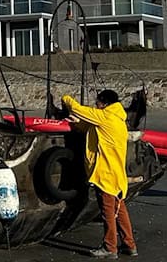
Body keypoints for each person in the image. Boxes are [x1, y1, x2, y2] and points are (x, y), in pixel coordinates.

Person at [61, 90, 138, 259]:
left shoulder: (106, 117)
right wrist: (76, 123)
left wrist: (66, 99)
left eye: (97, 102)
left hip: (105, 174)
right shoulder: (117, 120)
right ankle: (129, 245)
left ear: (104, 103)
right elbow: (90, 127)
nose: (96, 105)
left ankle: (110, 247)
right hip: (117, 174)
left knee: (108, 211)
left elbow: (78, 108)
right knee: (120, 210)